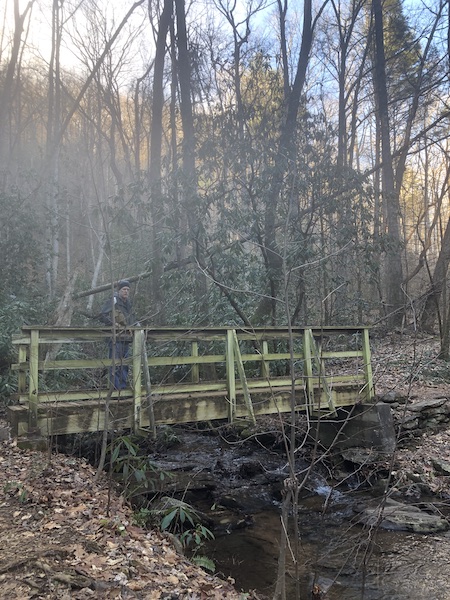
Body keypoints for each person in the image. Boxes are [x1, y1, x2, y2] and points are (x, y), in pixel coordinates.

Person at [100, 280, 137, 390]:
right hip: (115, 338)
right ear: (119, 291)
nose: (126, 291)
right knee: (115, 364)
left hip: (126, 338)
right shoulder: (114, 301)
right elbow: (102, 315)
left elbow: (133, 320)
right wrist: (113, 324)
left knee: (124, 364)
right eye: (124, 289)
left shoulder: (128, 304)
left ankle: (122, 388)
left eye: (128, 290)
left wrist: (138, 327)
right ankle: (115, 390)